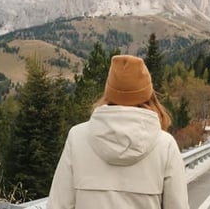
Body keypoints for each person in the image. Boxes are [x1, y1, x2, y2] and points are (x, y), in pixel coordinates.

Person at [47, 55, 189, 209]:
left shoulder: (77, 137)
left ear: (109, 92)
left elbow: (58, 204)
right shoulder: (165, 146)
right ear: (149, 94)